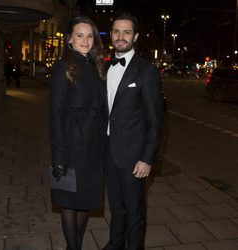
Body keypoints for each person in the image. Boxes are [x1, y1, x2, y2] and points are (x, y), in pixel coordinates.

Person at [103, 12, 164, 250]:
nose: (121, 36)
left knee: (134, 211)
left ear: (135, 36)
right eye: (116, 31)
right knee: (116, 207)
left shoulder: (147, 72)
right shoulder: (105, 67)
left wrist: (147, 158)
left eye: (126, 31)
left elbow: (155, 120)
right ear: (111, 35)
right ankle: (116, 242)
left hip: (133, 156)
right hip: (109, 151)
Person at [49, 16, 106, 250]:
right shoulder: (63, 66)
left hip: (94, 143)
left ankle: (77, 245)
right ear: (70, 39)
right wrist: (59, 155)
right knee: (70, 201)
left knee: (86, 201)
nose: (85, 40)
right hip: (72, 144)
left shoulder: (96, 66)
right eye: (80, 35)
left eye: (90, 35)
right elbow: (55, 114)